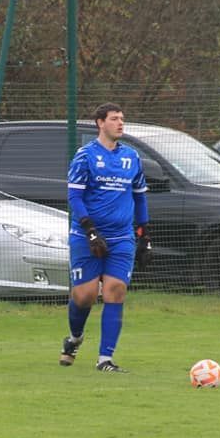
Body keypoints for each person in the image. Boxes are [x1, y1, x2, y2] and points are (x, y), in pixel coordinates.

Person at [60, 103, 151, 373]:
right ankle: (74, 338)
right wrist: (90, 230)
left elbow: (140, 197)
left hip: (121, 237)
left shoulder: (131, 157)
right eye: (114, 119)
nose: (120, 123)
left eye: (122, 118)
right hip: (85, 235)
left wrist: (144, 234)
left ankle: (105, 359)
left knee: (115, 290)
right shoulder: (85, 156)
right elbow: (75, 197)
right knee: (85, 296)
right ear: (100, 123)